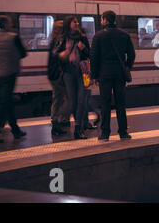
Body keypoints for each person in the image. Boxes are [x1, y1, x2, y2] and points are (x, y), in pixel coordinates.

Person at [90, 10, 135, 141]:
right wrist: (126, 66)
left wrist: (95, 75)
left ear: (105, 20)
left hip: (104, 74)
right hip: (120, 73)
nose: (101, 21)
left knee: (105, 103)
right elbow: (131, 55)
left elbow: (93, 57)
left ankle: (105, 133)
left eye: (102, 19)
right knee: (121, 103)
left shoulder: (98, 36)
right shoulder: (124, 35)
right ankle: (123, 132)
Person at [0, 15, 27, 143]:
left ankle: (15, 130)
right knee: (4, 103)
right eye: (10, 22)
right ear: (6, 24)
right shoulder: (13, 38)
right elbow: (23, 53)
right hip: (10, 73)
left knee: (7, 102)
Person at [56, 16, 90, 140]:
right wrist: (61, 54)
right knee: (73, 102)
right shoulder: (62, 39)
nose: (77, 23)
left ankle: (78, 128)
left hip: (83, 72)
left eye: (77, 22)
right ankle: (78, 126)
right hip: (68, 72)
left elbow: (89, 54)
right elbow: (56, 55)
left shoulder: (83, 38)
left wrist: (84, 48)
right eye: (74, 22)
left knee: (81, 100)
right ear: (68, 24)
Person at [47, 20, 71, 136]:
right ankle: (58, 122)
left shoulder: (55, 40)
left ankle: (58, 122)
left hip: (54, 74)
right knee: (62, 98)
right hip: (58, 74)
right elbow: (57, 55)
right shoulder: (59, 41)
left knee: (59, 98)